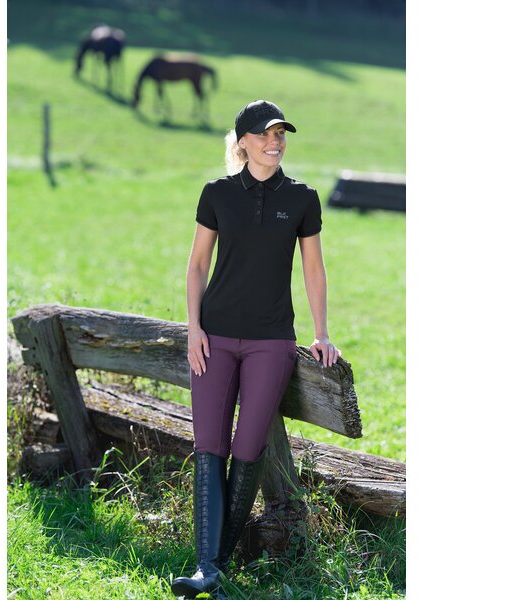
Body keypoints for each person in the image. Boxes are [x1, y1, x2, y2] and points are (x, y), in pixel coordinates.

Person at [170, 100, 341, 599]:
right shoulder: (217, 193)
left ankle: (214, 568)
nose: (275, 142)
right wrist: (193, 327)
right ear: (243, 141)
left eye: (281, 134)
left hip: (272, 341)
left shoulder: (302, 198)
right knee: (210, 446)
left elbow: (314, 268)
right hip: (215, 339)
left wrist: (322, 333)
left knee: (248, 448)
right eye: (265, 134)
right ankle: (208, 566)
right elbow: (197, 264)